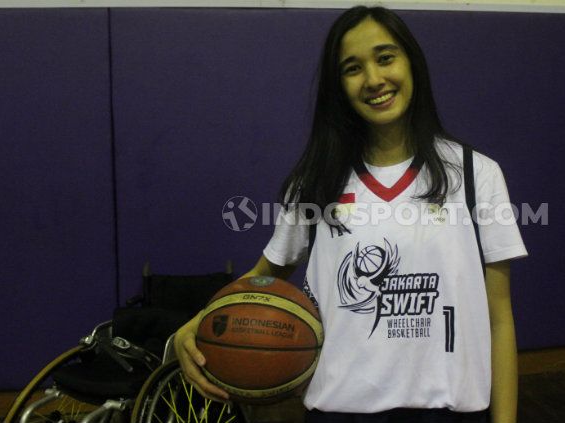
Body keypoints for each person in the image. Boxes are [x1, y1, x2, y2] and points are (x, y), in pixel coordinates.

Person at [175, 6, 527, 423]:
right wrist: (197, 323)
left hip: (449, 410)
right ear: (338, 85)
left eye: (385, 57)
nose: (374, 80)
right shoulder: (314, 183)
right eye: (352, 68)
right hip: (340, 410)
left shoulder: (475, 174)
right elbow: (262, 278)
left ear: (411, 62)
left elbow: (499, 320)